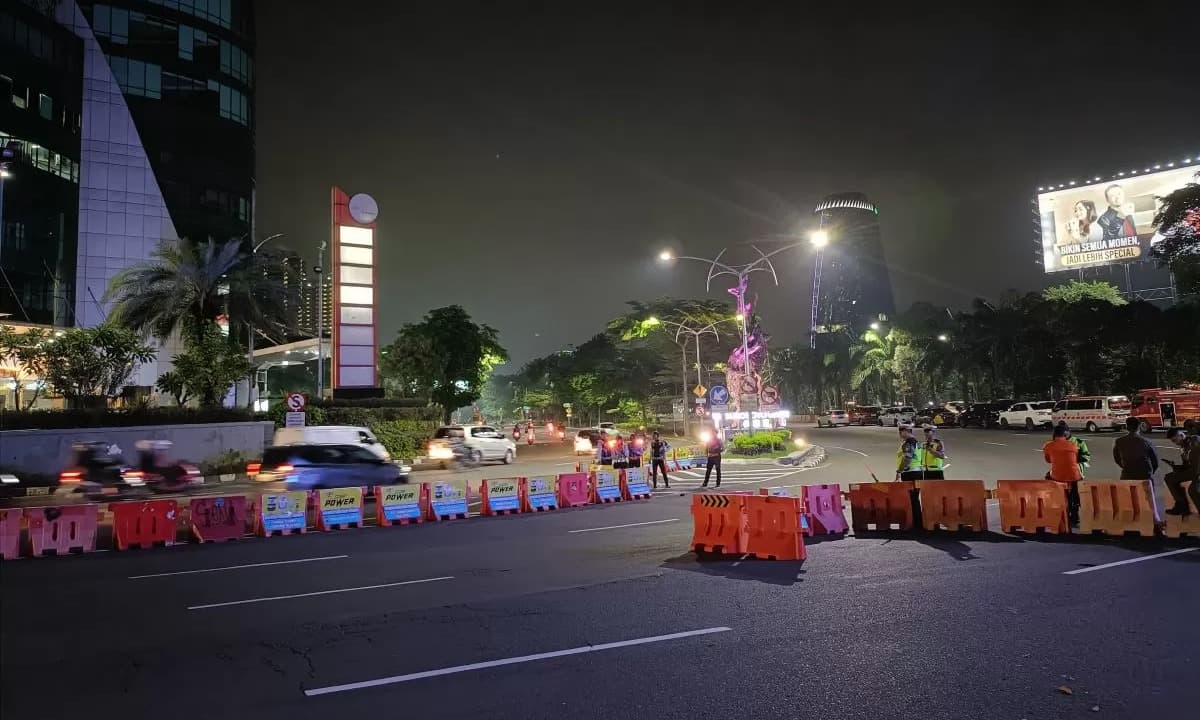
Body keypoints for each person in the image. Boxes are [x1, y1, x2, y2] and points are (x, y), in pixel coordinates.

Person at [1044, 423, 1083, 525]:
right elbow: (1075, 458)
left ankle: (1058, 509)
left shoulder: (1048, 446)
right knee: (1076, 491)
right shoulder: (1073, 445)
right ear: (1066, 434)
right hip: (1074, 476)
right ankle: (1075, 514)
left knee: (1048, 477)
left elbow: (1048, 460)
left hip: (1057, 477)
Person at [1163, 424, 1200, 516]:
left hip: (1198, 471)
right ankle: (1182, 507)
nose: (1175, 443)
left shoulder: (1195, 440)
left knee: (1193, 490)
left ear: (1181, 435)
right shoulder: (1183, 448)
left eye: (1175, 440)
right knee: (1169, 478)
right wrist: (1176, 467)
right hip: (1193, 470)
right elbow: (1187, 465)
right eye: (1173, 441)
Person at [1112, 416, 1159, 480]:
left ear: (1127, 427)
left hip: (1127, 475)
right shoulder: (1146, 442)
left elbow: (1117, 458)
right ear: (1139, 427)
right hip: (1144, 474)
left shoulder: (1119, 441)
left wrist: (1126, 467)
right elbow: (1155, 462)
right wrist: (1151, 472)